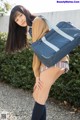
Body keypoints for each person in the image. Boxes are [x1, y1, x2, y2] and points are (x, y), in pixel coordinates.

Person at [6, 5, 69, 120]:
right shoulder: (33, 25)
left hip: (55, 61)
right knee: (40, 96)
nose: (20, 20)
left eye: (20, 15)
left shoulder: (37, 22)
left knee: (39, 96)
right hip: (55, 61)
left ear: (25, 12)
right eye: (17, 19)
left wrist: (37, 74)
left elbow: (37, 52)